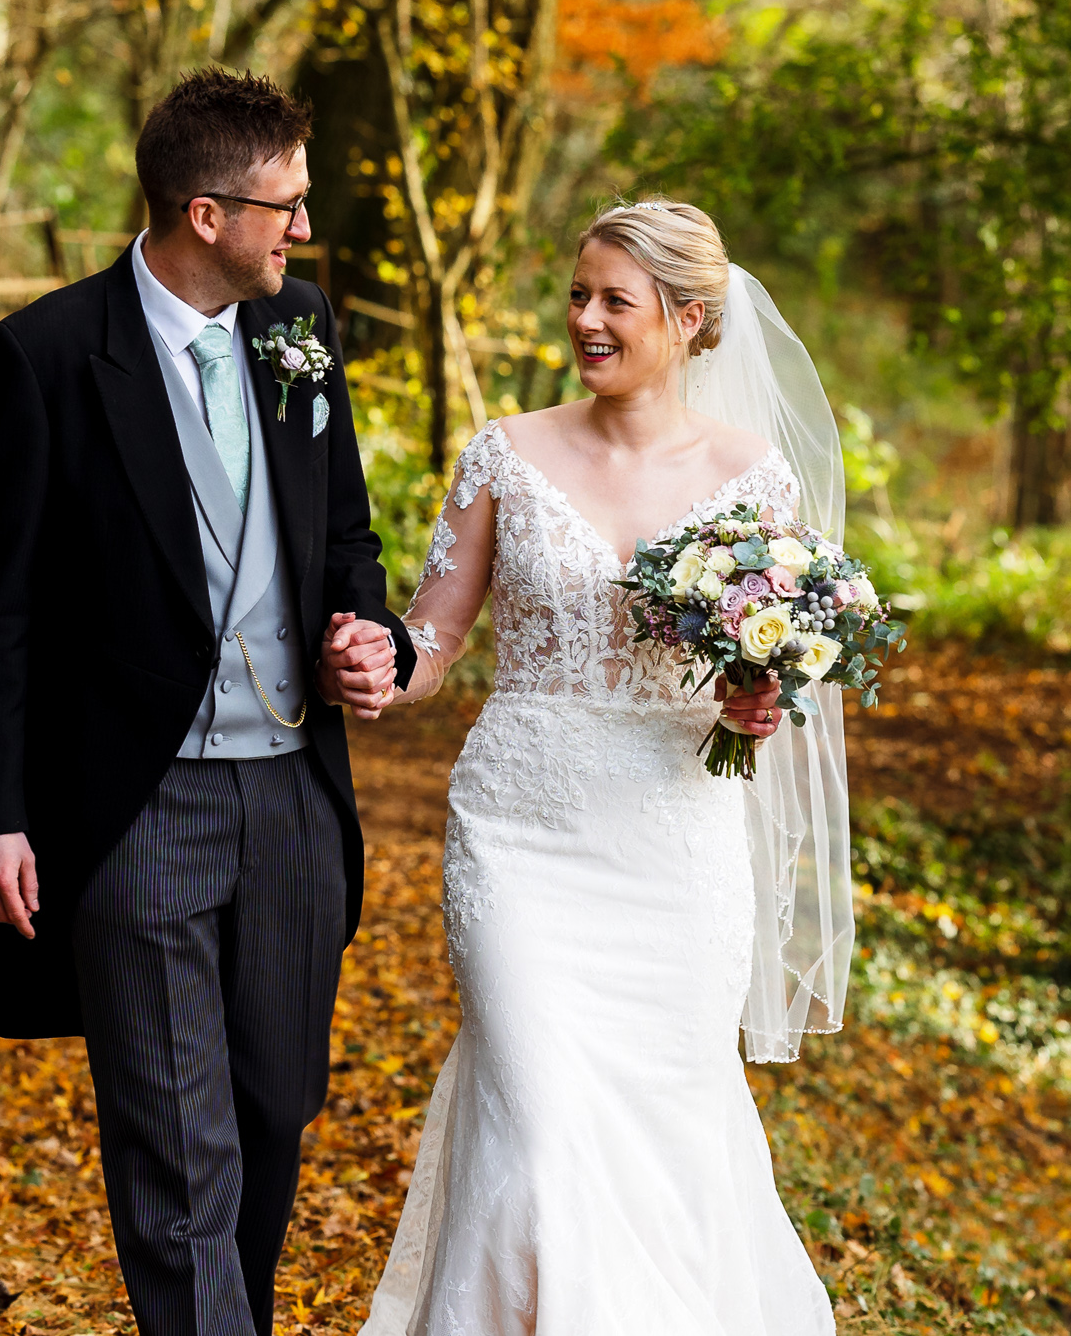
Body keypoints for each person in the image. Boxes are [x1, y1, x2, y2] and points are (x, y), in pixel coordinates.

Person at [0, 70, 407, 1336]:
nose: (302, 231)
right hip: (136, 799)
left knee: (270, 1107)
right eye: (285, 208)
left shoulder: (300, 326)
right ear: (206, 215)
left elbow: (346, 539)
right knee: (176, 1140)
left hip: (296, 799)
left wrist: (362, 633)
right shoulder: (41, 359)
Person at [361, 198, 853, 1334]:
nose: (583, 318)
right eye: (576, 294)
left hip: (673, 847)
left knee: (665, 1129)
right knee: (534, 1137)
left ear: (686, 320)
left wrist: (757, 694)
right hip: (519, 834)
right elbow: (433, 639)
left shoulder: (752, 480)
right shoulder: (505, 453)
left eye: (611, 301)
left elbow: (771, 668)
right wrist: (382, 664)